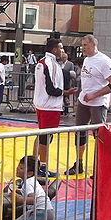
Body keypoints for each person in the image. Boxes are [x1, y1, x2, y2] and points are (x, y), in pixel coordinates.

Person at [68, 34, 111, 175]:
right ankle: (79, 162)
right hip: (84, 101)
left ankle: (100, 167)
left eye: (85, 45)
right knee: (80, 132)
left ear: (94, 44)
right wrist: (82, 96)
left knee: (99, 135)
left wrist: (95, 95)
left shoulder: (104, 61)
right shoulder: (87, 60)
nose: (83, 48)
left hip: (98, 103)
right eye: (82, 45)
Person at [33, 38, 77, 172]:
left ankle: (36, 162)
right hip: (49, 106)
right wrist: (66, 92)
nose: (63, 51)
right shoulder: (49, 63)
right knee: (46, 137)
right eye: (61, 48)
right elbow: (51, 89)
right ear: (54, 49)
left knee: (43, 135)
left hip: (43, 104)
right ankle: (42, 166)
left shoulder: (43, 62)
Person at [9, 156, 55, 220]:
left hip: (41, 214)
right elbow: (30, 193)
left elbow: (33, 200)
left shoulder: (28, 183)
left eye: (21, 168)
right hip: (49, 213)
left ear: (30, 173)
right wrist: (17, 191)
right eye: (18, 166)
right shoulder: (32, 181)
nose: (17, 169)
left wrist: (17, 199)